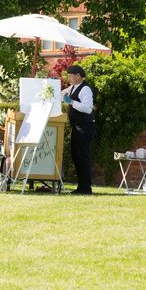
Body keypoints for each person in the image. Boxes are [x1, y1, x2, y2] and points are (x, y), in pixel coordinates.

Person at [61, 64, 95, 195]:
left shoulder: (85, 89)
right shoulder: (73, 87)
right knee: (76, 156)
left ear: (78, 76)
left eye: (71, 76)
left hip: (85, 127)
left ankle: (86, 188)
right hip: (76, 126)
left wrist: (71, 102)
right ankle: (81, 186)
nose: (69, 78)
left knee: (83, 156)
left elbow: (87, 108)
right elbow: (61, 94)